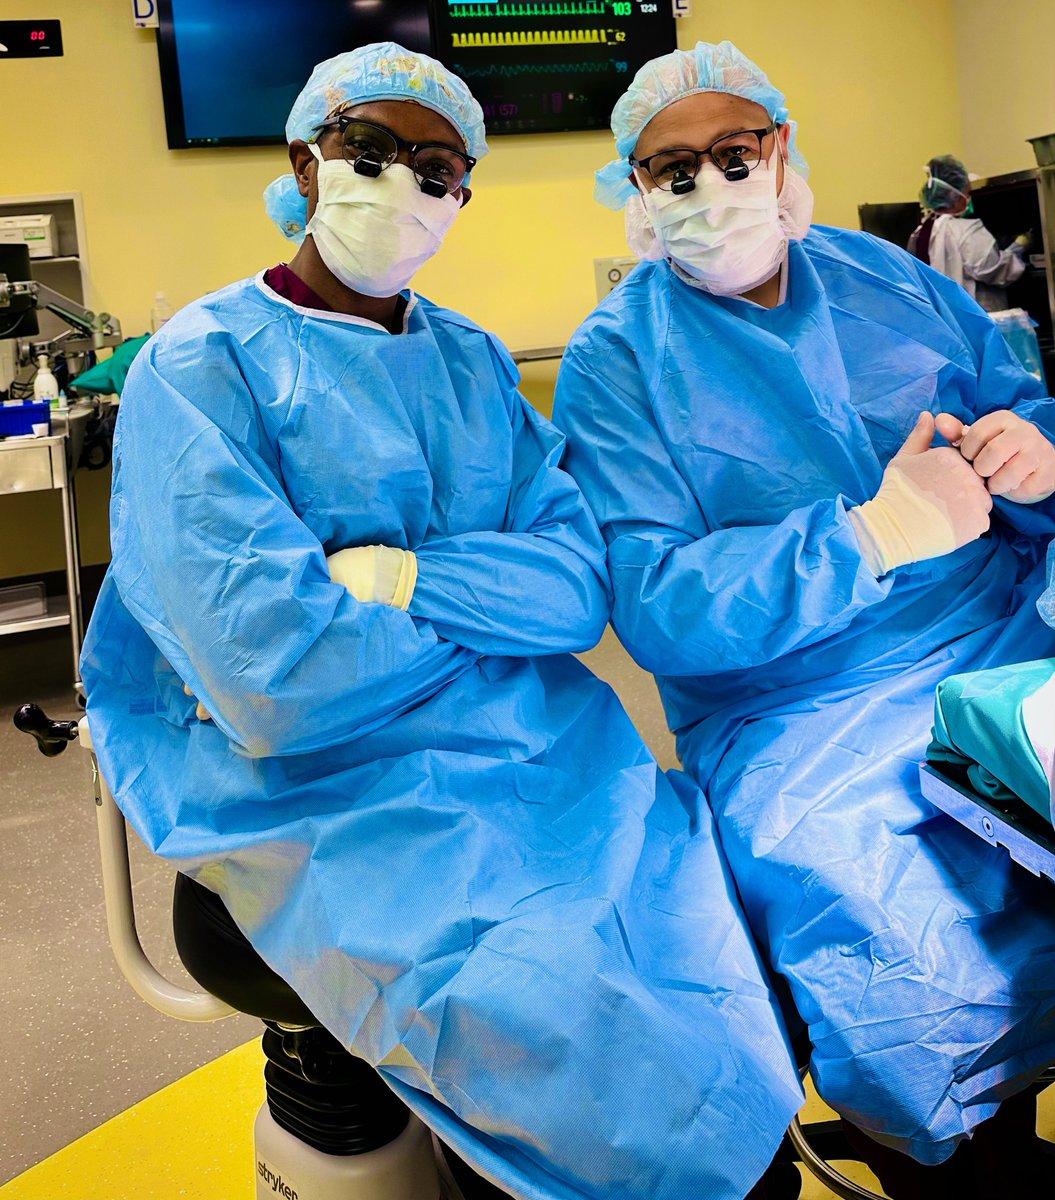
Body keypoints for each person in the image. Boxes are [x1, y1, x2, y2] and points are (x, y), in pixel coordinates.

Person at [80, 43, 805, 1200]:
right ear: (305, 166)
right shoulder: (200, 370)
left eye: (436, 168)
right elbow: (275, 683)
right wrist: (483, 608)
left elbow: (572, 591)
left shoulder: (468, 361)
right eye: (367, 150)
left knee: (704, 945)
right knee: (568, 1015)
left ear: (460, 197)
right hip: (320, 796)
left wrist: (387, 579)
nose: (401, 185)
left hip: (539, 763)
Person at [553, 39, 1055, 1200]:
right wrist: (867, 536)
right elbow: (658, 606)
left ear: (780, 148)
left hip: (995, 635)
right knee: (900, 941)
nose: (708, 184)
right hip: (797, 708)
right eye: (671, 169)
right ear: (635, 189)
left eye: (733, 152)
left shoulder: (891, 279)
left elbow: (1012, 406)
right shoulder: (614, 361)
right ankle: (960, 1159)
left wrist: (1036, 461)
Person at [907, 154, 1031, 311]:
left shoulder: (920, 232)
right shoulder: (966, 230)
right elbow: (994, 270)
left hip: (943, 315)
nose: (969, 198)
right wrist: (1019, 247)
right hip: (975, 317)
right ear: (957, 198)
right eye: (967, 193)